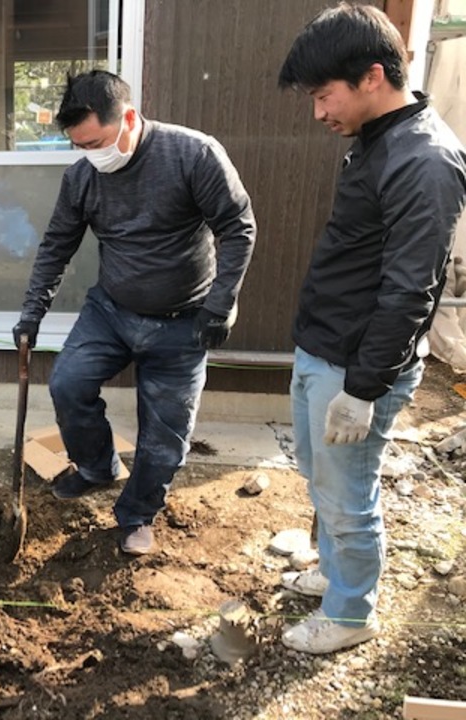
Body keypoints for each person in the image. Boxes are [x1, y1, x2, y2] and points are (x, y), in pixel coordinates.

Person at [278, 3, 466, 654]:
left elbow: (411, 290)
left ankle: (351, 614)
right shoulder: (376, 141)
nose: (319, 113)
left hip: (357, 365)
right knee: (320, 475)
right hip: (325, 346)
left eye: (324, 96)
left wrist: (361, 389)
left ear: (372, 76)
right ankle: (333, 574)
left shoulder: (425, 161)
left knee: (348, 491)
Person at [12, 70, 256, 556]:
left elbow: (238, 227)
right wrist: (31, 314)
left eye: (97, 142)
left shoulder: (192, 154)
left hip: (184, 318)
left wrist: (220, 304)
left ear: (128, 117)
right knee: (68, 383)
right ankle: (98, 467)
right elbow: (56, 246)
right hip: (113, 310)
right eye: (79, 146)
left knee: (164, 434)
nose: (91, 155)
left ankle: (138, 512)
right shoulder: (82, 176)